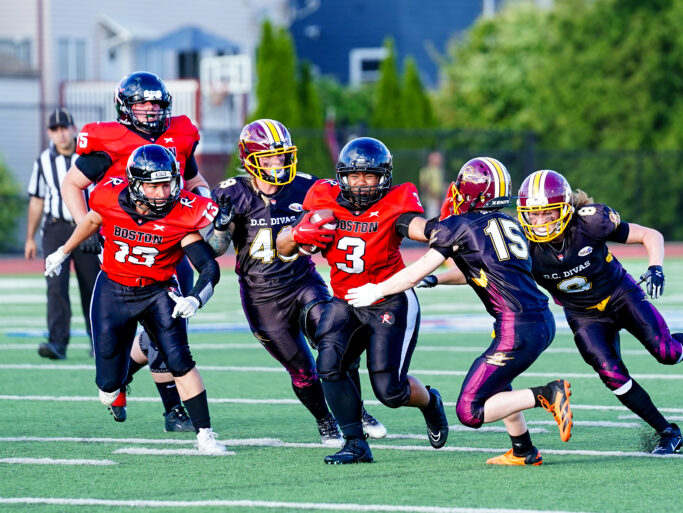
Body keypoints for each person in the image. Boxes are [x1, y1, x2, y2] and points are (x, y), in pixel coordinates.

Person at [346, 157, 573, 466]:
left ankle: (547, 393)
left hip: (515, 327)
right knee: (497, 382)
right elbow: (477, 270)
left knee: (470, 410)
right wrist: (435, 279)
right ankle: (523, 449)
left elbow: (414, 270)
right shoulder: (509, 223)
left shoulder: (459, 225)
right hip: (539, 321)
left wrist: (378, 290)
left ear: (471, 192)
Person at [514, 169, 683, 455]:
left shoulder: (590, 222)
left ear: (564, 207)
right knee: (612, 376)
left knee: (667, 353)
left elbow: (650, 235)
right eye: (532, 214)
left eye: (546, 213)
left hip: (621, 295)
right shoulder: (519, 245)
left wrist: (655, 266)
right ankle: (668, 432)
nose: (539, 221)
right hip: (583, 315)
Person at [207, 119, 386, 447]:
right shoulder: (231, 193)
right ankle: (325, 421)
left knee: (336, 342)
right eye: (271, 158)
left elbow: (349, 209)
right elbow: (216, 249)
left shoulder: (306, 186)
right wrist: (219, 226)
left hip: (303, 282)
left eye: (282, 156)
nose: (279, 163)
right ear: (250, 158)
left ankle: (356, 410)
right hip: (261, 297)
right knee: (303, 371)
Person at [276, 136, 449, 465]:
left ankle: (430, 403)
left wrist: (442, 227)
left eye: (370, 176)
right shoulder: (323, 199)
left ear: (384, 177)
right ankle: (355, 442)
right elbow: (284, 248)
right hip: (345, 300)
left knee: (390, 392)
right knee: (329, 367)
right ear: (342, 175)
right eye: (354, 175)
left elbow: (417, 227)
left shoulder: (395, 204)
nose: (361, 183)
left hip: (389, 299)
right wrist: (298, 233)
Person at [44, 144, 227, 454]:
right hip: (113, 289)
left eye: (167, 183)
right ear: (136, 184)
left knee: (180, 359)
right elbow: (91, 221)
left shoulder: (181, 212)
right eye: (154, 185)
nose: (162, 191)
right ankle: (115, 390)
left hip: (158, 291)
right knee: (106, 384)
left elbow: (209, 266)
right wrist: (64, 250)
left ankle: (205, 435)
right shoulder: (109, 197)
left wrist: (195, 299)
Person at [60, 71, 209, 430]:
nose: (149, 110)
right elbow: (72, 183)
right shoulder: (108, 139)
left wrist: (204, 210)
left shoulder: (182, 133)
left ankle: (173, 409)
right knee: (146, 332)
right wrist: (86, 229)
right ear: (125, 108)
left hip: (171, 239)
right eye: (141, 103)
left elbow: (194, 181)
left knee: (171, 332)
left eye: (155, 103)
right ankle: (144, 393)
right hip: (124, 244)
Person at [26, 108, 100, 360]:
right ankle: (57, 342)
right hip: (55, 228)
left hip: (87, 226)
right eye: (55, 129)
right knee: (55, 286)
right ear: (50, 132)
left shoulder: (88, 157)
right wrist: (29, 237)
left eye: (64, 128)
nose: (61, 133)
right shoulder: (43, 161)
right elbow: (37, 200)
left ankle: (99, 341)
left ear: (73, 128)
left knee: (92, 285)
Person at [418, 151, 445, 219]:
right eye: (436, 157)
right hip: (431, 200)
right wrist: (435, 197)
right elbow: (424, 186)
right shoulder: (426, 171)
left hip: (439, 200)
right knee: (432, 220)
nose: (439, 159)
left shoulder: (439, 170)